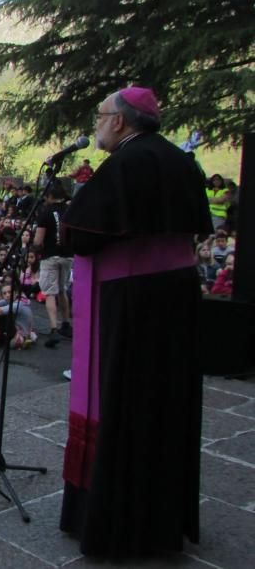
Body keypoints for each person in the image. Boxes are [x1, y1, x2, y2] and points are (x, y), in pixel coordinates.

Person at [59, 86, 212, 559]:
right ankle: (160, 520)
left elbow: (80, 234)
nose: (97, 125)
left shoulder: (124, 164)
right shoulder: (180, 160)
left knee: (123, 403)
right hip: (174, 298)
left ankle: (116, 521)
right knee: (162, 405)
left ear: (121, 121)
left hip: (130, 301)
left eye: (101, 116)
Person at [34, 185, 73, 348]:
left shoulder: (46, 212)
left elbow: (38, 241)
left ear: (50, 196)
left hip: (50, 256)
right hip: (68, 255)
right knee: (62, 289)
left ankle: (53, 328)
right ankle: (66, 323)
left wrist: (36, 249)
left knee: (50, 292)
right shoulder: (70, 210)